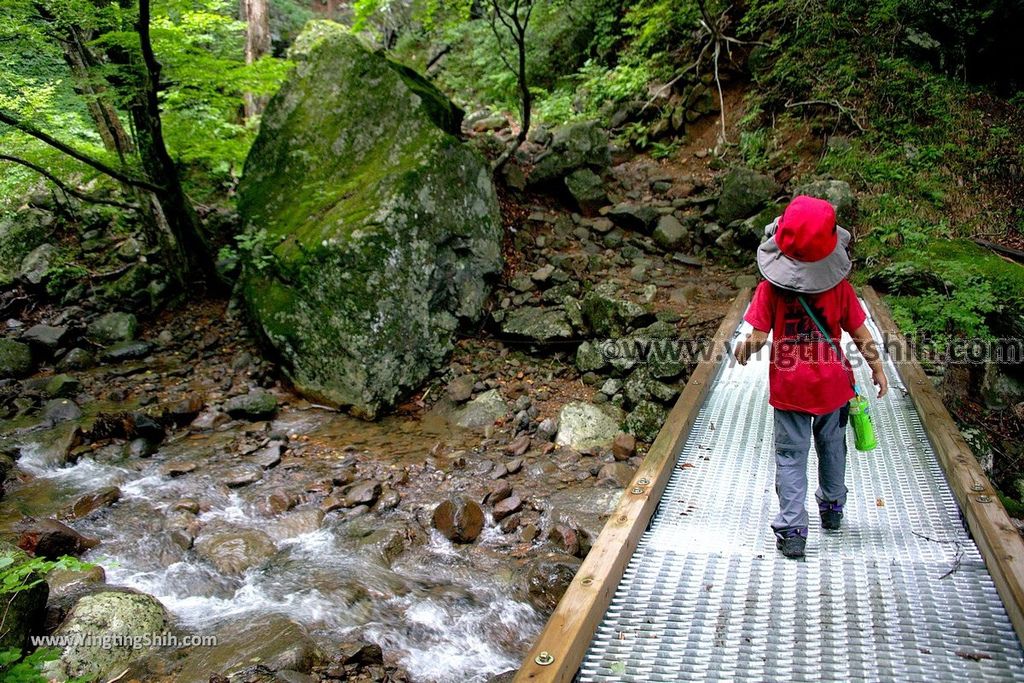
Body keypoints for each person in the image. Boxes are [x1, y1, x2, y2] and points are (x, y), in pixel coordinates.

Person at [733, 195, 888, 559]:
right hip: (833, 385)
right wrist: (877, 367)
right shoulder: (841, 289)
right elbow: (861, 334)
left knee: (790, 457)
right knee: (833, 449)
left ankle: (793, 530)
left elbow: (755, 337)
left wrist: (743, 350)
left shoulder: (769, 289)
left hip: (790, 390)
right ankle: (832, 509)